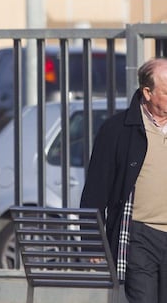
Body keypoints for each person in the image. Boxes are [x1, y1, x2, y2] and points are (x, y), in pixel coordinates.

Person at [80, 57, 167, 302]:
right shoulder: (117, 130)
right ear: (147, 92)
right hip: (138, 235)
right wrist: (92, 241)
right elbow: (96, 189)